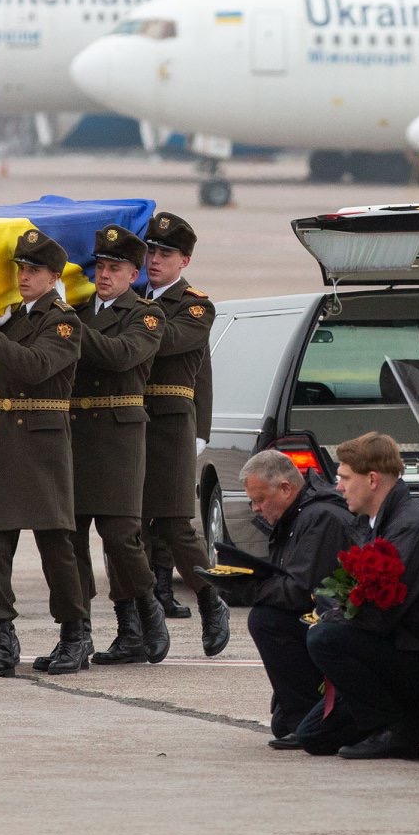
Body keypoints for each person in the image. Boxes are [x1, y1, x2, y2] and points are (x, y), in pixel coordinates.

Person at [0, 227, 87, 678]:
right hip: (2, 438)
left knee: (55, 546)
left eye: (34, 270)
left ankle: (74, 636)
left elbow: (36, 367)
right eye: (20, 269)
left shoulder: (63, 320)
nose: (25, 276)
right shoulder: (13, 319)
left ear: (53, 277)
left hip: (43, 442)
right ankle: (2, 641)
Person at [303, 433, 419, 760]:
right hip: (391, 649)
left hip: (418, 656)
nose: (339, 487)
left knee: (324, 638)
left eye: (345, 478)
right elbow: (347, 592)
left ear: (372, 479)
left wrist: (331, 618)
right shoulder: (375, 522)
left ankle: (399, 727)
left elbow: (382, 611)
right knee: (313, 737)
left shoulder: (411, 525)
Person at [58, 224, 168, 671]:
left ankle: (145, 611)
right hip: (75, 433)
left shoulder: (145, 316)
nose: (104, 275)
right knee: (71, 538)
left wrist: (65, 324)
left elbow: (120, 356)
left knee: (122, 536)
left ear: (133, 272)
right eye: (100, 266)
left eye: (114, 267)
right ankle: (79, 631)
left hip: (119, 436)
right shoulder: (77, 312)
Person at [138, 211, 229, 655]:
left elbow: (168, 343)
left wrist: (201, 429)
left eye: (165, 253)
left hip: (172, 424)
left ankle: (212, 601)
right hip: (132, 423)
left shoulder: (195, 306)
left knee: (176, 525)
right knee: (131, 528)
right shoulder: (132, 298)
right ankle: (140, 623)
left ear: (185, 260)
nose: (154, 259)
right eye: (150, 250)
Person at [240, 450, 360, 747]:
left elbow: (299, 591)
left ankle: (310, 711)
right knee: (282, 725)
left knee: (266, 620)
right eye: (252, 501)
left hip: (339, 627)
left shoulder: (319, 517)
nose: (256, 508)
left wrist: (247, 586)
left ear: (285, 489)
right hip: (326, 621)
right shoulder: (297, 515)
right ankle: (303, 711)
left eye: (260, 499)